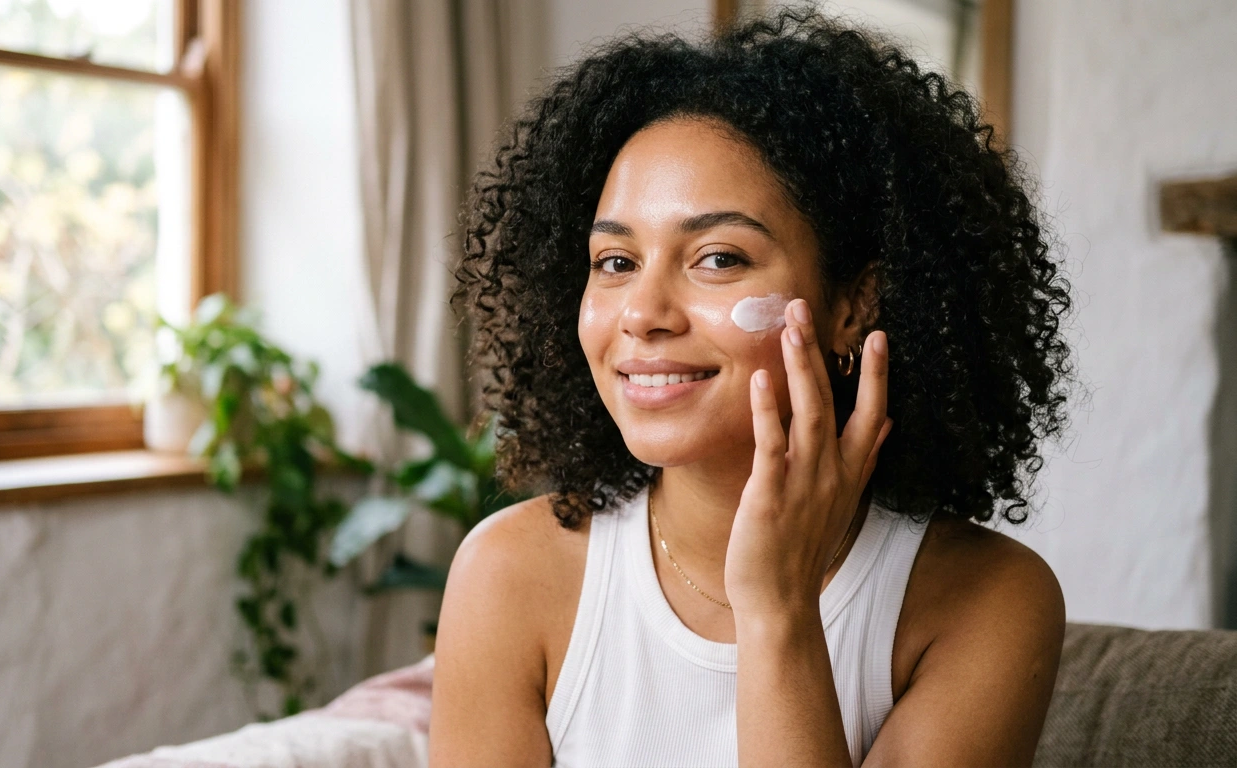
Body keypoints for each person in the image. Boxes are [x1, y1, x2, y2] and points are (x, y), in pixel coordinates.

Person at [431, 8, 1073, 767]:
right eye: (615, 262)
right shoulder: (508, 575)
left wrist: (777, 610)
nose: (642, 314)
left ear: (851, 307)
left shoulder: (987, 601)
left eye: (718, 258)